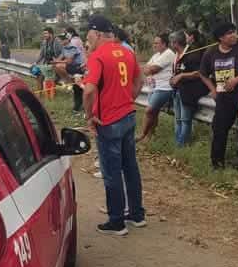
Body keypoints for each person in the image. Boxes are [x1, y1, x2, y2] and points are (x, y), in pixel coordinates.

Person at [83, 15, 144, 235]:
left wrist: (89, 115)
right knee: (130, 167)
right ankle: (137, 214)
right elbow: (141, 79)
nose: (87, 38)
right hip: (128, 116)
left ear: (97, 34)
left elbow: (89, 90)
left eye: (89, 34)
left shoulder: (97, 56)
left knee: (111, 172)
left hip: (108, 121)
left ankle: (116, 220)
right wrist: (129, 98)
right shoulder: (127, 52)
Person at [201, 21, 238, 169]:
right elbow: (203, 74)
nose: (233, 35)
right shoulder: (211, 53)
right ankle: (217, 162)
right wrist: (212, 90)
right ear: (220, 38)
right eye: (229, 33)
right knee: (219, 129)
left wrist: (237, 79)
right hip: (223, 98)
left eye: (234, 31)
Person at [170, 30, 208, 146]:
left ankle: (181, 145)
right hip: (177, 90)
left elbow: (199, 73)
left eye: (172, 42)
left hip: (188, 91)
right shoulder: (177, 55)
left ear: (175, 43)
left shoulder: (193, 54)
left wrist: (182, 75)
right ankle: (178, 141)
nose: (171, 45)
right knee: (177, 119)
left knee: (185, 120)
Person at [137, 33, 175, 142]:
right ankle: (150, 135)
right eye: (154, 43)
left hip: (164, 88)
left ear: (164, 44)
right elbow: (145, 69)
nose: (154, 45)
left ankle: (142, 135)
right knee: (154, 112)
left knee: (149, 111)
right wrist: (148, 69)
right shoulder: (156, 55)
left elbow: (150, 70)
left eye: (157, 43)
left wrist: (149, 69)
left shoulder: (168, 54)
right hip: (154, 87)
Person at [54, 33, 85, 114]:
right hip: (71, 68)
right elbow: (60, 58)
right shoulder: (64, 48)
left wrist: (57, 61)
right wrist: (54, 61)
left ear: (67, 40)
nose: (60, 40)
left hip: (77, 68)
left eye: (62, 39)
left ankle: (69, 83)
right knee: (77, 89)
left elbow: (69, 61)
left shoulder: (73, 47)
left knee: (78, 88)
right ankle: (77, 106)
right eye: (60, 39)